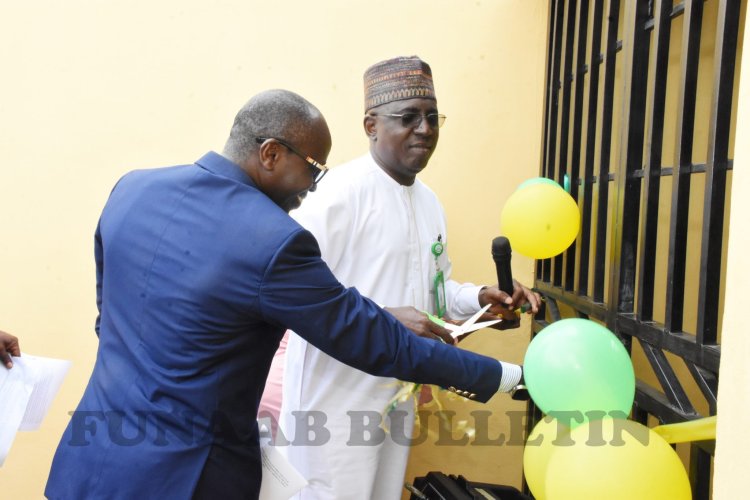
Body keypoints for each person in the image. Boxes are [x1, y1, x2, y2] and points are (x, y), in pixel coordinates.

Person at [44, 89, 523, 500]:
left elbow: (108, 321)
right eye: (313, 169)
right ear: (271, 154)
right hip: (186, 477)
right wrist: (507, 378)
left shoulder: (132, 189)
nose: (313, 188)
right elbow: (375, 339)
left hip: (90, 458)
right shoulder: (273, 240)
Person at [279, 57, 540, 500]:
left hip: (397, 397)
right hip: (335, 402)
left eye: (432, 117)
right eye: (409, 117)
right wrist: (383, 319)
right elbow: (293, 295)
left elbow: (434, 291)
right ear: (371, 125)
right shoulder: (335, 195)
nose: (425, 129)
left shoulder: (429, 202)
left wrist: (480, 298)